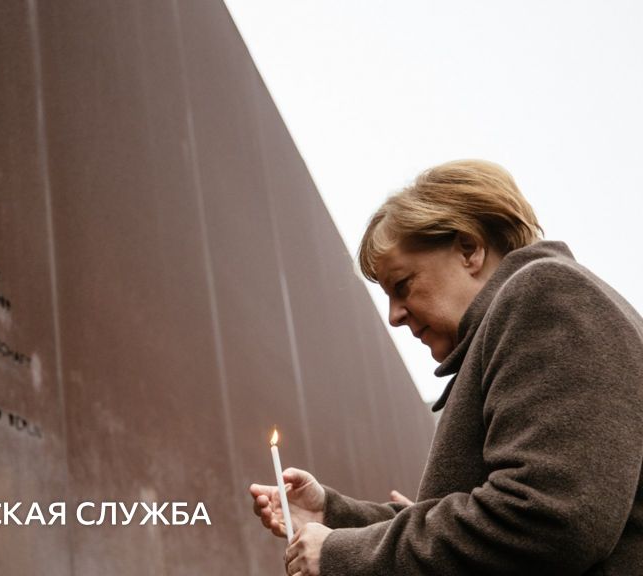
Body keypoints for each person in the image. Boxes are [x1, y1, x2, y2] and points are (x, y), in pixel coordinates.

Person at [249, 160, 643, 575]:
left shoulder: (546, 296)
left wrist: (342, 554)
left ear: (469, 249)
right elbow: (487, 520)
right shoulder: (527, 319)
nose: (394, 316)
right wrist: (333, 516)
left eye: (402, 285)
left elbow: (545, 518)